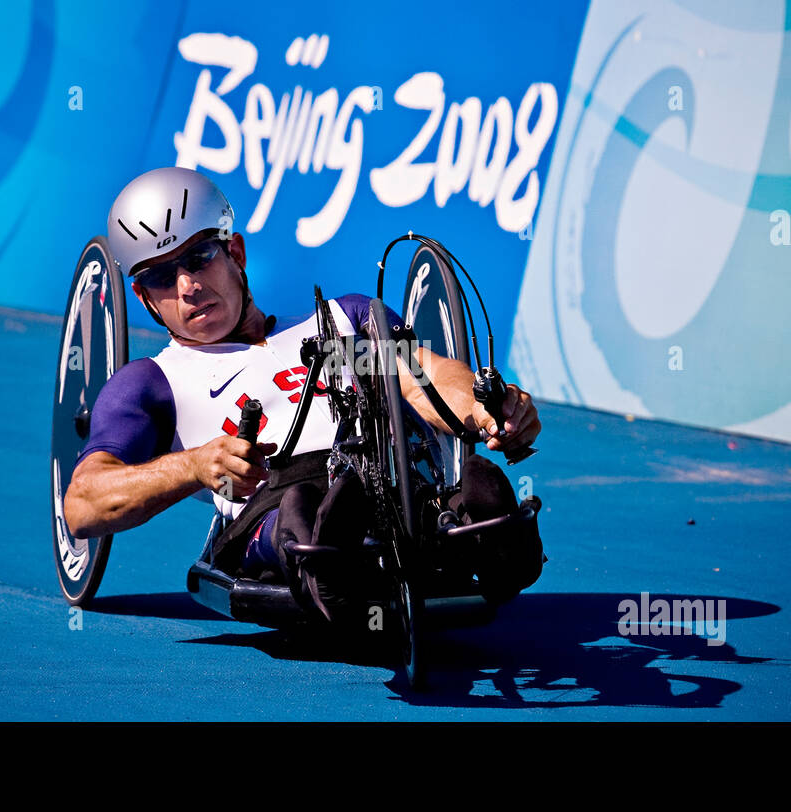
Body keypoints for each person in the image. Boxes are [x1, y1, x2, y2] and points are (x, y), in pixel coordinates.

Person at [63, 167, 542, 626]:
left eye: (198, 257)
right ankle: (338, 566)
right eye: (161, 276)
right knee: (305, 508)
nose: (187, 286)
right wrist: (194, 465)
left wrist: (485, 410)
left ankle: (475, 550)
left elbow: (423, 379)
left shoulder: (341, 323)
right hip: (274, 515)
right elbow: (83, 503)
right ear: (143, 297)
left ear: (236, 253)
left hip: (390, 489)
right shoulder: (152, 383)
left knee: (483, 487)